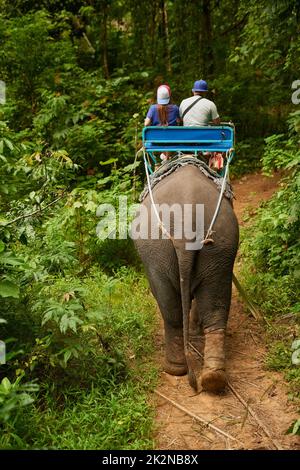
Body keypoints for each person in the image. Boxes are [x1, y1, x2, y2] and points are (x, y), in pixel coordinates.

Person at [180, 80, 222, 170]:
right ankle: (214, 165)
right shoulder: (210, 104)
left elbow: (180, 119)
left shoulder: (183, 102)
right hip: (203, 139)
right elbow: (217, 124)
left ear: (193, 91)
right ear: (205, 92)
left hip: (186, 140)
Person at [144, 85, 180, 161]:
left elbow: (146, 124)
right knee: (169, 138)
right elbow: (179, 121)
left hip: (156, 140)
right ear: (169, 96)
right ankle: (167, 157)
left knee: (163, 139)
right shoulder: (175, 108)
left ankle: (165, 157)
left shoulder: (153, 108)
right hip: (173, 140)